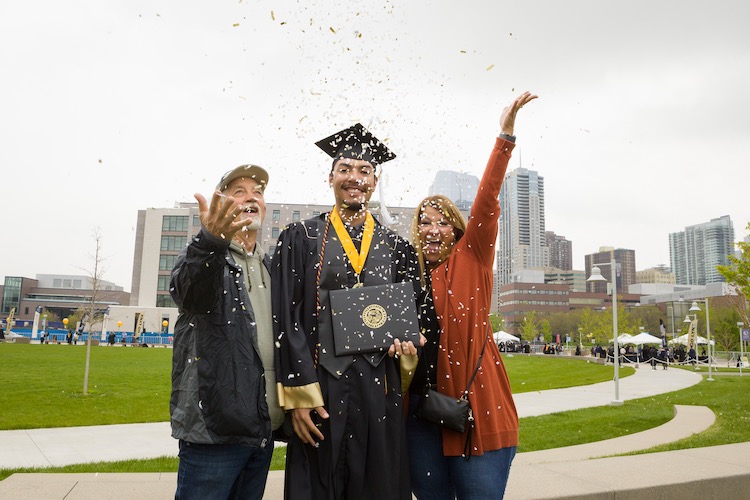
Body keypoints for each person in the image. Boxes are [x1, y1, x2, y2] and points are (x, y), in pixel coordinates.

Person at [273, 123, 421, 499]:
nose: (354, 178)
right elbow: (286, 319)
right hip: (321, 388)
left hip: (378, 391)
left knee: (377, 485)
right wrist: (299, 399)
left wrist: (406, 349)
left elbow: (413, 320)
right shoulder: (300, 237)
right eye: (345, 169)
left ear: (375, 181)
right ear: (330, 177)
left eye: (364, 171)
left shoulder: (396, 247)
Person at [407, 91, 537, 499]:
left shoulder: (473, 256)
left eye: (442, 222)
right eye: (423, 222)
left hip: (480, 410)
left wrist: (505, 137)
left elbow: (487, 200)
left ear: (457, 228)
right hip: (422, 421)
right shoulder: (407, 277)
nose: (432, 229)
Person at [170, 164, 283, 500]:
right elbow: (189, 292)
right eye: (239, 192)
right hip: (214, 434)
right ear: (221, 205)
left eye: (258, 192)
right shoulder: (205, 258)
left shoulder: (271, 266)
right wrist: (210, 242)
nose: (251, 197)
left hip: (263, 432)